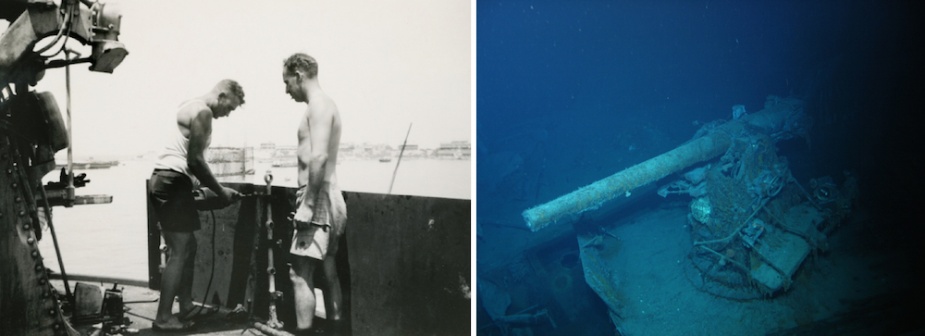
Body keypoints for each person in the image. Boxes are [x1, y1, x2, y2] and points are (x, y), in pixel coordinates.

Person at [148, 79, 245, 331]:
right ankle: (163, 318)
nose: (227, 114)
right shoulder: (203, 112)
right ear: (222, 95)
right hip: (172, 182)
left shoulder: (188, 105)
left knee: (188, 245)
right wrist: (220, 191)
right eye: (230, 108)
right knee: (178, 251)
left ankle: (187, 304)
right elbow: (195, 161)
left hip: (168, 181)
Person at [284, 52, 348, 335]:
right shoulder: (327, 105)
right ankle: (337, 329)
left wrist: (307, 205)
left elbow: (318, 156)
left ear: (299, 75)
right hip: (331, 194)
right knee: (329, 269)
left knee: (299, 273)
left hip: (317, 196)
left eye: (287, 82)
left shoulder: (318, 106)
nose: (287, 90)